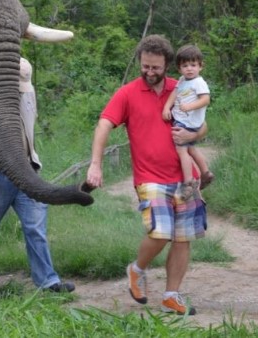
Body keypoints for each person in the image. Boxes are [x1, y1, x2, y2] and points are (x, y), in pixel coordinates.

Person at [85, 35, 207, 315]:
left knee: (182, 237)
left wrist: (194, 133)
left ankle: (171, 295)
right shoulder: (127, 93)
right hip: (150, 177)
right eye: (145, 66)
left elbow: (202, 127)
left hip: (185, 177)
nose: (150, 72)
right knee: (161, 232)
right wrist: (95, 164)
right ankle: (137, 269)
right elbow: (104, 125)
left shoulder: (183, 87)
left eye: (156, 68)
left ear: (167, 65)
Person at [0, 57, 75, 293]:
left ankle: (48, 282)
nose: (21, 92)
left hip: (27, 170)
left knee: (35, 226)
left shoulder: (29, 96)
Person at [161, 44, 215, 201]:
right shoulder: (183, 80)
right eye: (185, 66)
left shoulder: (199, 82)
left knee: (182, 151)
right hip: (185, 120)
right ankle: (205, 172)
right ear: (179, 68)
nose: (189, 69)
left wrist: (189, 106)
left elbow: (206, 99)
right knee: (190, 148)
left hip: (187, 122)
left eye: (193, 65)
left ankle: (188, 182)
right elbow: (175, 93)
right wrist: (166, 106)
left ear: (200, 66)